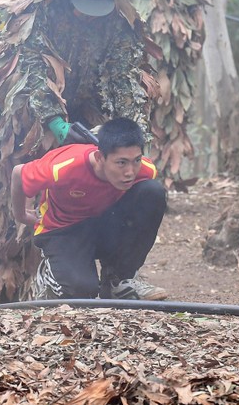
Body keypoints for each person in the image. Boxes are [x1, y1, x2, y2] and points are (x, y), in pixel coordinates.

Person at [10, 117, 167, 300]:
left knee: (152, 191)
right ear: (100, 158)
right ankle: (49, 276)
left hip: (104, 225)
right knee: (82, 292)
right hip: (63, 230)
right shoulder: (65, 166)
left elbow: (145, 202)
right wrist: (21, 214)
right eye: (121, 163)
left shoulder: (144, 169)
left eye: (136, 160)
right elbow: (19, 173)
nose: (130, 172)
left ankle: (118, 281)